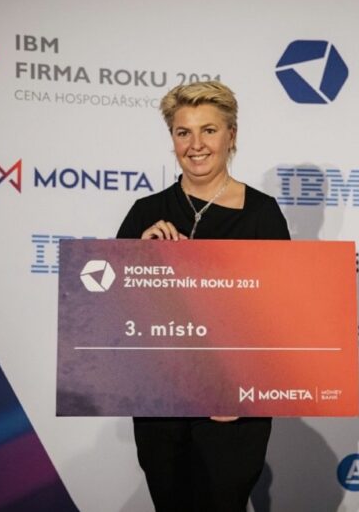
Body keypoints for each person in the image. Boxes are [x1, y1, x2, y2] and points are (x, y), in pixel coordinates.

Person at [117, 81, 290, 512]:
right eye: (183, 132)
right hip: (160, 405)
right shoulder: (145, 213)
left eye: (208, 130)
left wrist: (245, 390)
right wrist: (139, 258)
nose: (196, 145)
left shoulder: (261, 214)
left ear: (231, 135)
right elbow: (112, 311)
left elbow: (281, 317)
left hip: (231, 408)